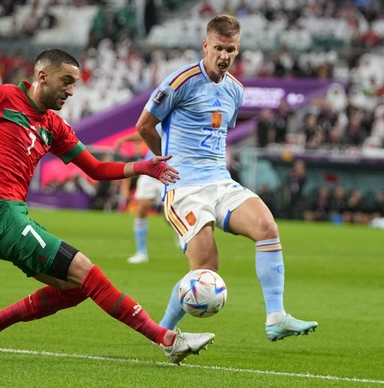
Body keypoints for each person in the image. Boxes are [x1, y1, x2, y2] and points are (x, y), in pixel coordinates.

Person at [0, 48, 214, 364]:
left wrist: (142, 166)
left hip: (14, 216)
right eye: (66, 82)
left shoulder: (55, 126)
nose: (71, 91)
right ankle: (167, 339)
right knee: (89, 273)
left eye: (74, 85)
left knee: (75, 289)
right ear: (42, 75)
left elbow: (94, 168)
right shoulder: (1, 97)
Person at [134, 15, 318, 344]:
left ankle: (276, 317)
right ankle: (162, 331)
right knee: (207, 269)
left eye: (231, 50)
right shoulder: (181, 81)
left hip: (220, 180)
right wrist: (164, 164)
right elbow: (145, 125)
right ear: (205, 45)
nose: (224, 55)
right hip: (185, 187)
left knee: (266, 227)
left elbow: (218, 135)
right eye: (218, 48)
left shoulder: (236, 90)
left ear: (238, 49)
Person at [115, 133, 166, 264]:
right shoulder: (160, 117)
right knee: (142, 208)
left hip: (169, 169)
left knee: (169, 214)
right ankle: (141, 252)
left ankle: (180, 236)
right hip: (151, 169)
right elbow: (145, 130)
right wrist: (125, 138)